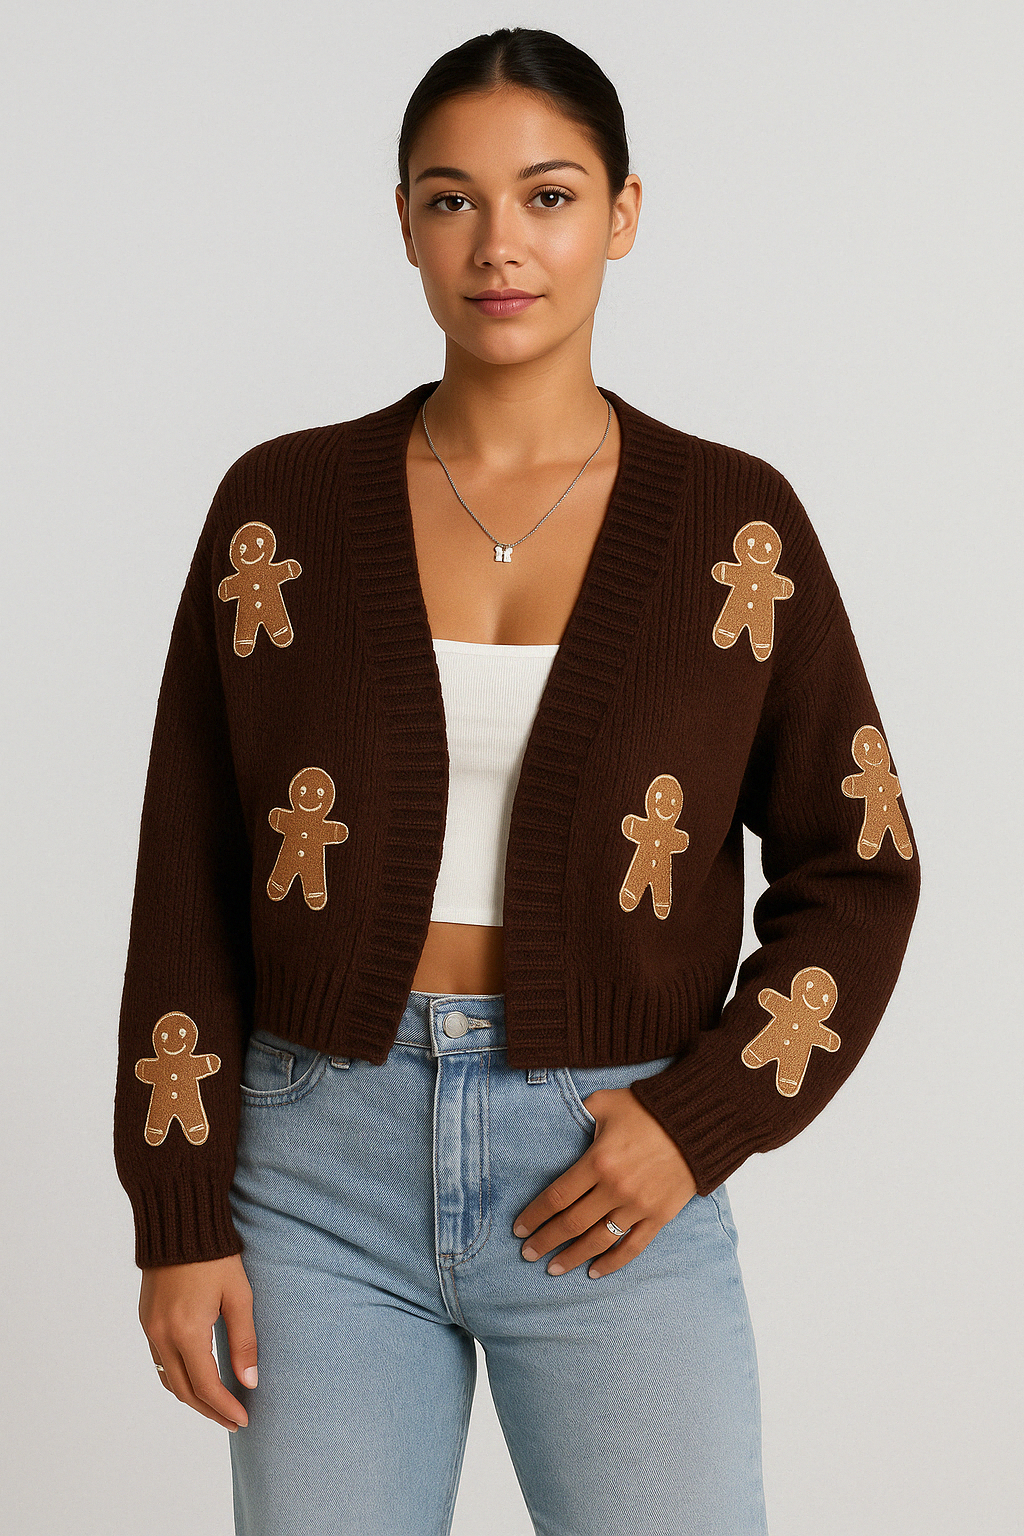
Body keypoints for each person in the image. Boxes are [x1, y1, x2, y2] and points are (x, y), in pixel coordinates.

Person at [114, 26, 921, 1536]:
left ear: (623, 213)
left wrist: (703, 1119)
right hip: (314, 1169)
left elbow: (859, 870)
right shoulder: (278, 508)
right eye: (452, 200)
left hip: (609, 1157)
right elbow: (189, 869)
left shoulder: (735, 525)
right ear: (403, 222)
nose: (500, 245)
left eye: (549, 197)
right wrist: (176, 1207)